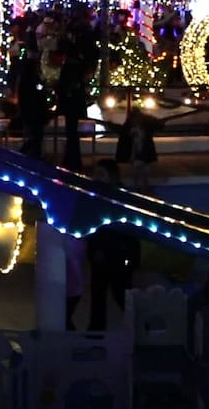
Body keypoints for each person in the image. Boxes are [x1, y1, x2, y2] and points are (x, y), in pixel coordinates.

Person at [86, 159, 141, 330]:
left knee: (122, 296)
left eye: (101, 175)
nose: (96, 179)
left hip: (119, 256)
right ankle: (97, 334)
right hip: (101, 256)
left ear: (113, 176)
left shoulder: (122, 199)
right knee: (98, 299)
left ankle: (138, 329)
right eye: (95, 174)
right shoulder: (95, 198)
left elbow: (130, 232)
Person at [54, 39, 89, 171]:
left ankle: (71, 159)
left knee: (71, 132)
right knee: (72, 132)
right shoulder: (80, 66)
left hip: (69, 104)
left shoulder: (68, 67)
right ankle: (73, 158)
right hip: (76, 103)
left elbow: (63, 85)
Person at [115, 107, 159, 191]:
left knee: (141, 171)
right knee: (140, 171)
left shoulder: (140, 128)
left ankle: (140, 187)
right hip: (140, 153)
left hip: (142, 152)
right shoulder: (136, 128)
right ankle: (140, 187)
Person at [16, 55, 50, 160]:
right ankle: (28, 155)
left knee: (34, 137)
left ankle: (29, 155)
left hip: (29, 112)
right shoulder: (33, 80)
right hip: (36, 112)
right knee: (36, 138)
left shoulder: (23, 80)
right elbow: (38, 93)